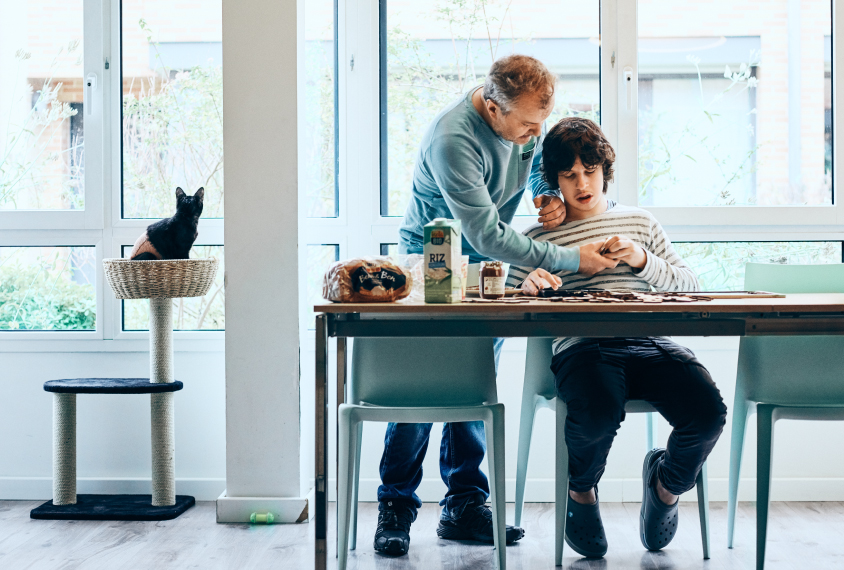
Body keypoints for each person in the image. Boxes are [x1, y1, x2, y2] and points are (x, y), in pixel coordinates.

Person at [375, 55, 618, 557]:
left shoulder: (523, 121)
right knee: (425, 393)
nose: (535, 133)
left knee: (473, 385)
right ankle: (395, 506)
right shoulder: (452, 140)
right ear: (491, 106)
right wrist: (574, 259)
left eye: (540, 123)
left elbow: (530, 167)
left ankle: (465, 506)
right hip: (432, 268)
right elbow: (484, 232)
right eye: (528, 124)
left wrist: (544, 192)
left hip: (486, 272)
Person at [507, 116, 728, 558]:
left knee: (708, 413)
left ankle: (664, 487)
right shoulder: (537, 236)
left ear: (605, 170)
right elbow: (507, 299)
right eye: (568, 175)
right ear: (552, 181)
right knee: (597, 410)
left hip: (651, 341)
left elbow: (688, 284)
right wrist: (527, 285)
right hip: (583, 346)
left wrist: (644, 260)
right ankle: (581, 492)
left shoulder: (640, 222)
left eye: (589, 171)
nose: (581, 183)